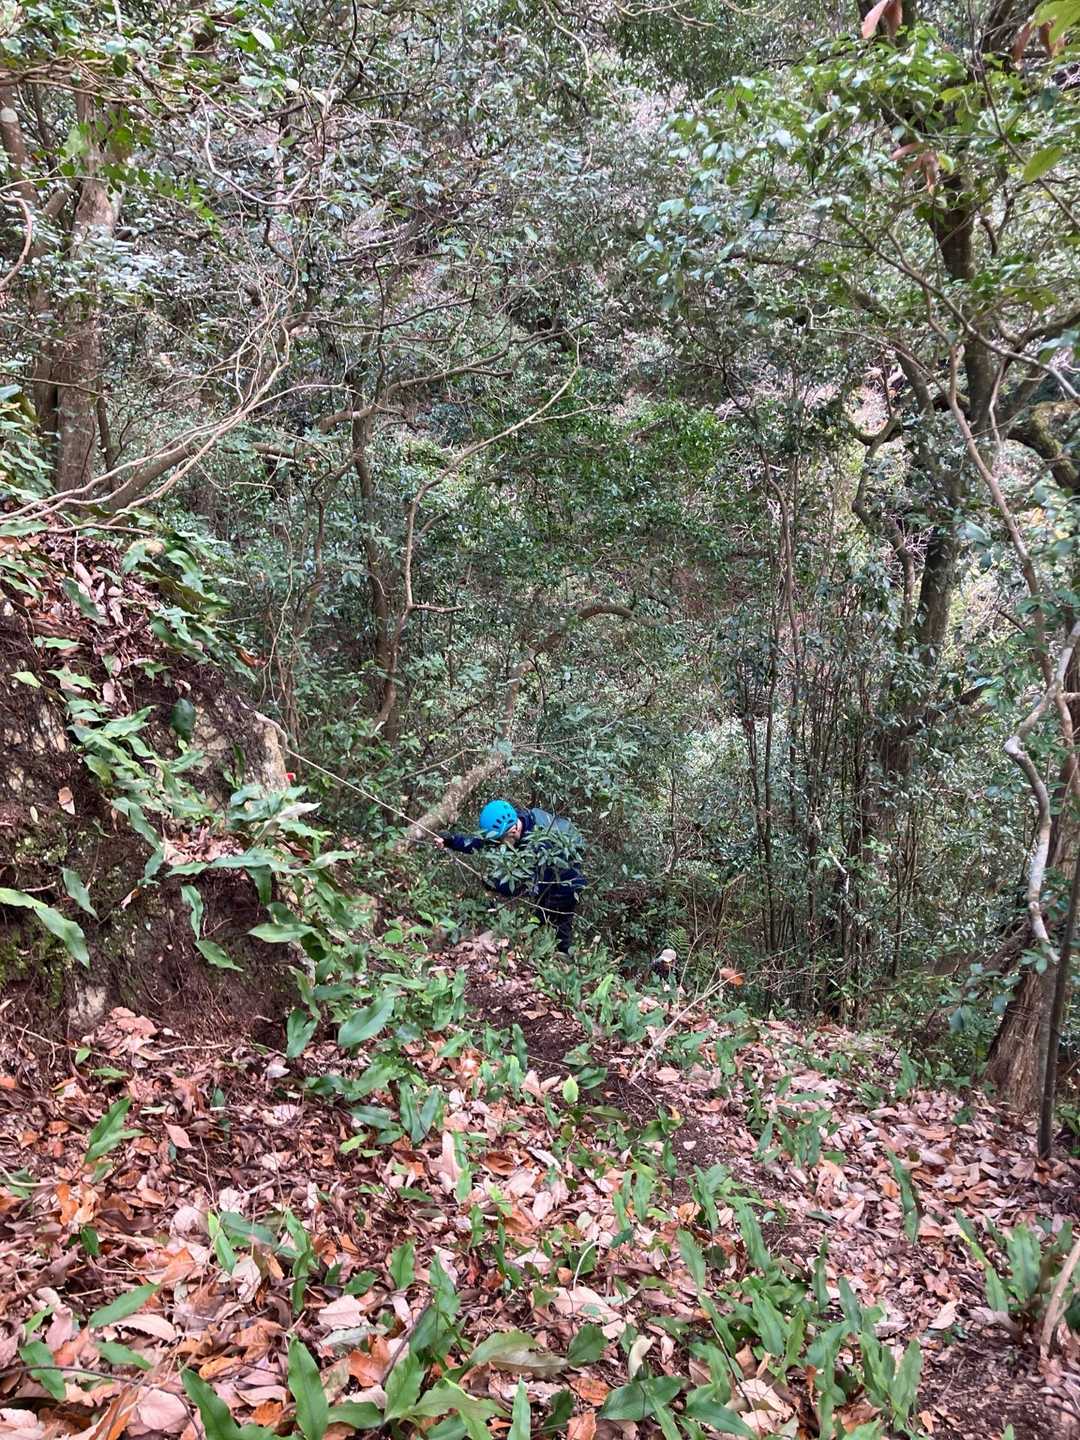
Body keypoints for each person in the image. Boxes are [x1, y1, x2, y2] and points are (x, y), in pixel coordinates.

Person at [436, 798, 585, 955]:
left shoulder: (538, 845)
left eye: (500, 839)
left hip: (564, 882)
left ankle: (563, 958)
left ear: (514, 831)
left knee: (552, 925)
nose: (499, 844)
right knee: (536, 927)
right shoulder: (514, 825)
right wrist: (451, 841)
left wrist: (497, 884)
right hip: (546, 875)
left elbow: (527, 885)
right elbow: (483, 843)